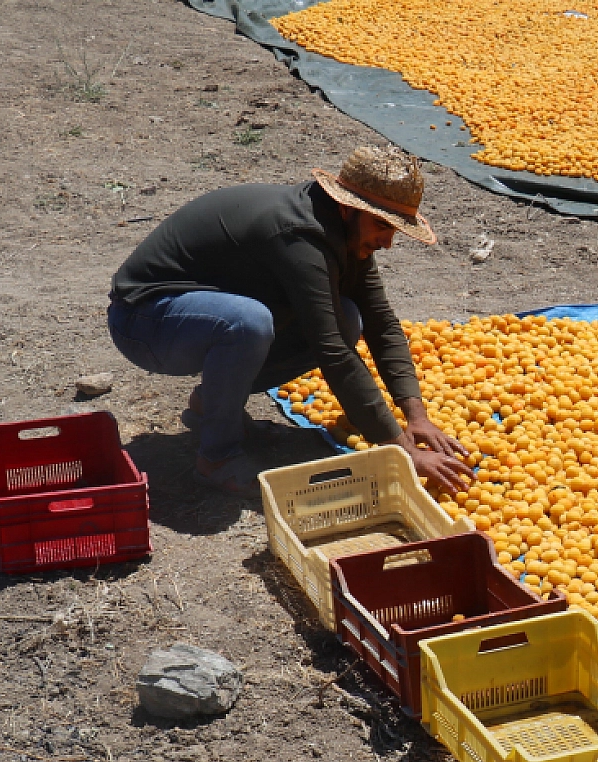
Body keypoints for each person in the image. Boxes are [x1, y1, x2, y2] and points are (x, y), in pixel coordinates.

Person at [106, 145, 473, 500]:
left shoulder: (344, 232)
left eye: (394, 229)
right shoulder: (300, 236)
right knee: (248, 324)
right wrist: (399, 448)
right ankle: (217, 457)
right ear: (349, 208)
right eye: (382, 225)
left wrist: (416, 416)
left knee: (348, 316)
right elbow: (332, 350)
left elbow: (382, 323)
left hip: (196, 317)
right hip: (144, 320)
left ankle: (213, 408)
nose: (388, 242)